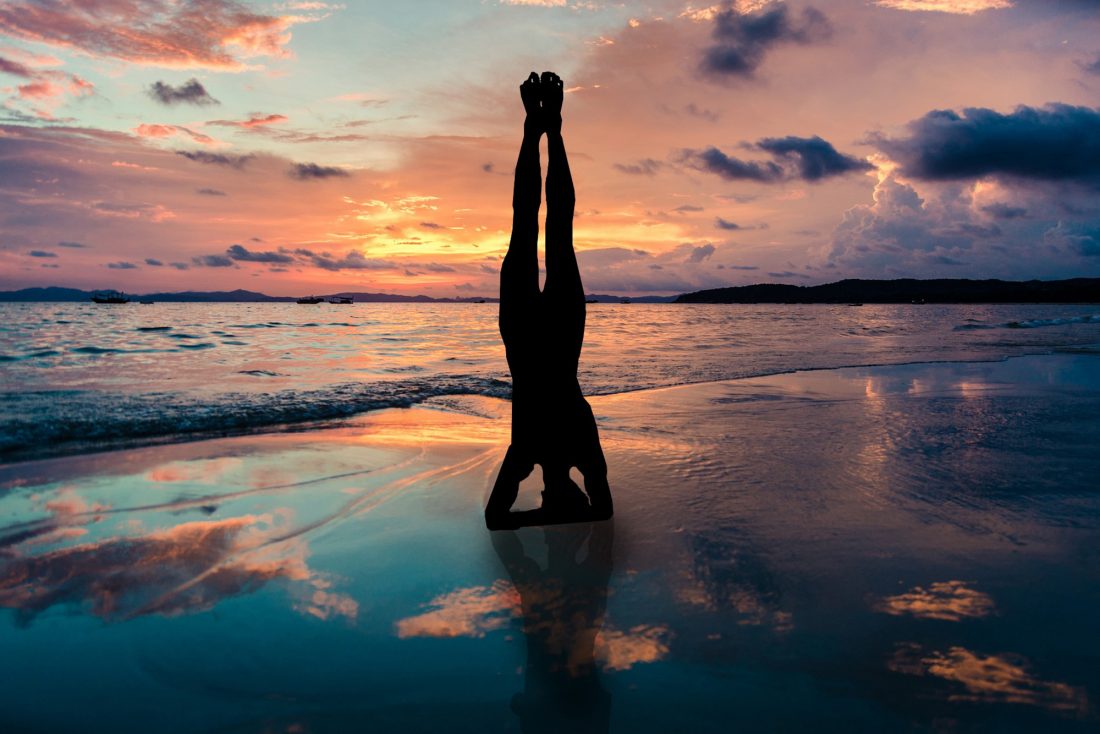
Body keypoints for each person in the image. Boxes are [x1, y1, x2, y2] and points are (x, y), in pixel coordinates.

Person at [485, 71, 613, 530]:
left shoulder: (559, 451)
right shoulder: (527, 453)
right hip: (540, 336)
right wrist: (548, 514)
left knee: (542, 229)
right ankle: (545, 128)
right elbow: (499, 518)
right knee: (549, 230)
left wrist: (553, 513)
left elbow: (600, 510)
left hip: (540, 334)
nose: (542, 491)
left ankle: (541, 128)